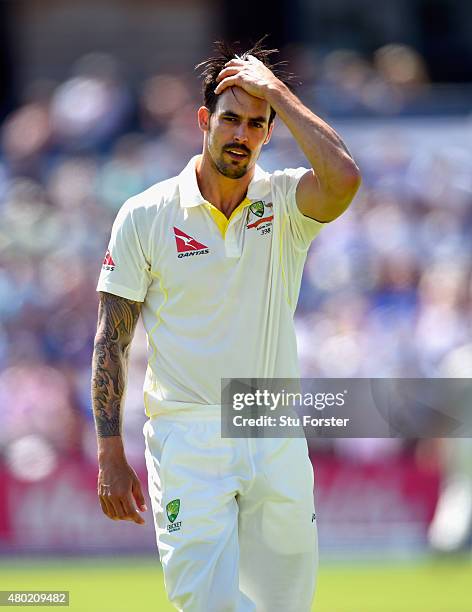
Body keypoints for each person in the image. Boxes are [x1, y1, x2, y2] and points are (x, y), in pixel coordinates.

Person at [91, 39, 360, 612]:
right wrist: (110, 450)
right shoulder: (147, 213)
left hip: (270, 423)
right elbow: (111, 340)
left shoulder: (284, 200)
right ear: (204, 121)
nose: (241, 135)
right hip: (186, 433)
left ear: (269, 131)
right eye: (230, 119)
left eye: (256, 123)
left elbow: (343, 178)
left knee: (287, 606)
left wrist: (278, 94)